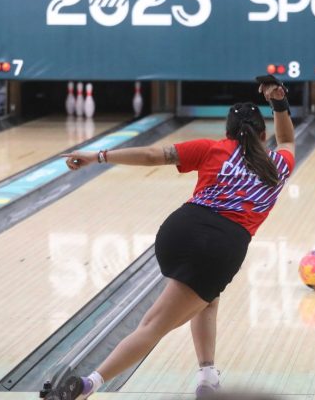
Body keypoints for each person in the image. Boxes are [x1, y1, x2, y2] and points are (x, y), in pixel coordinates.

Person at [46, 79, 295, 400]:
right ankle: (88, 385)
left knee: (207, 297)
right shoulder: (278, 165)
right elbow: (287, 139)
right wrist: (278, 103)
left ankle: (207, 376)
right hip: (220, 246)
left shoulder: (212, 148)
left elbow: (152, 155)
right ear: (262, 136)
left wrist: (99, 156)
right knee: (154, 325)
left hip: (179, 230)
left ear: (228, 133)